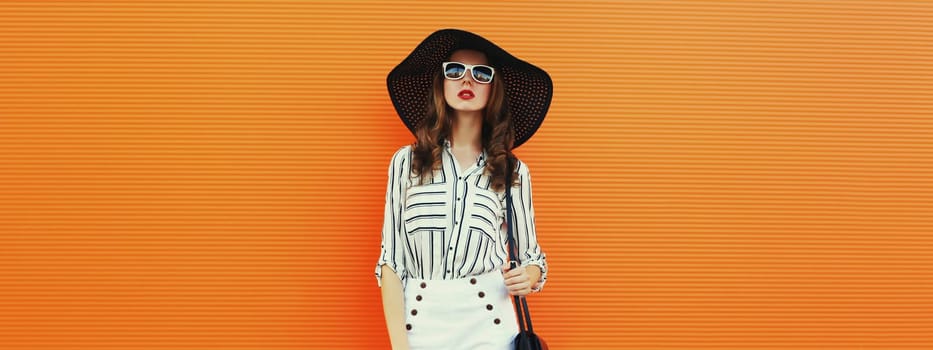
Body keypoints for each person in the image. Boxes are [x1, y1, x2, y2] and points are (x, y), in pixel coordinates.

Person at [376, 28, 553, 350]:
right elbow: (391, 262)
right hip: (420, 323)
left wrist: (527, 277)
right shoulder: (406, 161)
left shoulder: (512, 171)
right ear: (441, 83)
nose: (467, 81)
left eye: (481, 73)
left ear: (493, 89)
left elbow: (533, 259)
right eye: (454, 71)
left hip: (489, 324)